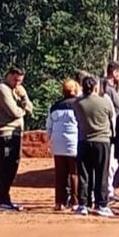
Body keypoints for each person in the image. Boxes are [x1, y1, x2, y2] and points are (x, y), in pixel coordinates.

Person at [0, 67, 34, 211]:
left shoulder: (19, 90)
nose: (17, 83)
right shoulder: (2, 89)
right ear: (8, 75)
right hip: (5, 133)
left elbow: (30, 107)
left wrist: (24, 98)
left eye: (20, 81)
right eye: (15, 80)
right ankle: (2, 199)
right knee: (5, 167)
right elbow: (14, 112)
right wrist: (23, 110)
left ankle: (6, 198)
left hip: (16, 133)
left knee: (13, 165)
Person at [74, 75, 115, 217]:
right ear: (96, 87)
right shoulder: (105, 102)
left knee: (84, 174)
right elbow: (112, 118)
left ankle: (83, 204)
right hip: (102, 141)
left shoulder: (77, 103)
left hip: (83, 141)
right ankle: (101, 204)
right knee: (101, 173)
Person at [47, 79, 81, 212]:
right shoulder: (78, 106)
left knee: (60, 174)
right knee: (74, 173)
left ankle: (59, 203)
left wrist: (52, 140)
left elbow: (49, 127)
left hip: (58, 143)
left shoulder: (55, 106)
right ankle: (75, 202)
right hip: (74, 143)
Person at [101, 61, 119, 205]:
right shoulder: (108, 88)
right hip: (110, 130)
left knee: (112, 162)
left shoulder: (107, 87)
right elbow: (118, 109)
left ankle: (108, 190)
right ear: (114, 73)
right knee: (110, 162)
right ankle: (108, 192)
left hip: (109, 129)